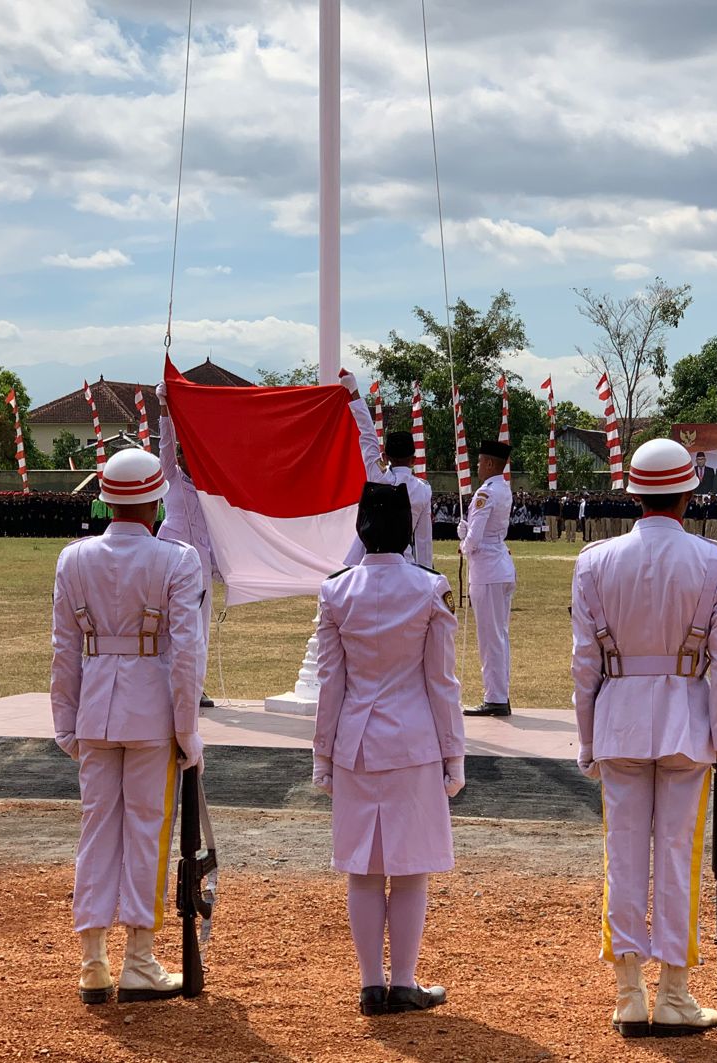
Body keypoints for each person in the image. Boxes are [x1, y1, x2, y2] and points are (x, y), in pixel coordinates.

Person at [571, 437, 717, 1039]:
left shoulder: (594, 561)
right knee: (679, 855)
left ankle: (628, 993)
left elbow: (583, 663)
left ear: (633, 494)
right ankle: (673, 992)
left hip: (619, 717)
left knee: (621, 854)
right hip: (687, 723)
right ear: (689, 492)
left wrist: (587, 738)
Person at [51, 448, 205, 1006]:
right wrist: (188, 731)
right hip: (151, 712)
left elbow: (63, 650)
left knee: (97, 831)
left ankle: (92, 961)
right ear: (157, 501)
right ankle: (139, 959)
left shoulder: (74, 559)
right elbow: (186, 655)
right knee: (147, 831)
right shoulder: (178, 560)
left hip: (96, 708)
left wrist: (64, 721)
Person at [313, 482, 463, 1015]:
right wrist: (455, 755)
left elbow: (330, 684)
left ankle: (372, 983)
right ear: (406, 530)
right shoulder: (427, 588)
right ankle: (402, 981)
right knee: (410, 867)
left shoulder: (336, 591)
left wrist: (321, 755)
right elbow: (442, 683)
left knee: (363, 868)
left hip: (356, 742)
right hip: (413, 740)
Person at [156, 381, 223, 709]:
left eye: (189, 451)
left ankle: (196, 686)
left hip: (201, 565)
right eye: (182, 452)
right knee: (168, 624)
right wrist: (165, 407)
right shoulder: (170, 477)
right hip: (168, 562)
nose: (183, 456)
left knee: (200, 628)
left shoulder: (214, 489)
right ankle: (166, 682)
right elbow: (165, 445)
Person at [339, 372, 433, 567]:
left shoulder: (379, 477)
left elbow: (368, 433)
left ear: (385, 457)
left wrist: (354, 390)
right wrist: (425, 575)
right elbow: (423, 542)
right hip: (403, 563)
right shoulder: (423, 490)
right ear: (414, 460)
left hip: (367, 562)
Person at [461, 441, 516, 718]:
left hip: (487, 568)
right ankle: (499, 694)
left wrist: (463, 541)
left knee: (490, 637)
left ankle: (494, 697)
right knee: (500, 635)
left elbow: (475, 538)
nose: (477, 466)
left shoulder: (485, 492)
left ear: (491, 464)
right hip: (500, 564)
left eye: (481, 461)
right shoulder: (503, 489)